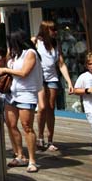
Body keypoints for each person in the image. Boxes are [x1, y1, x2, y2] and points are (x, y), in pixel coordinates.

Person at [0, 30, 42, 173]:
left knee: (27, 126)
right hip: (12, 93)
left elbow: (24, 73)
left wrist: (6, 70)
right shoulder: (14, 56)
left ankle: (32, 159)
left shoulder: (30, 53)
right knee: (11, 124)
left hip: (26, 93)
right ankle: (19, 155)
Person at [34, 21, 74, 152]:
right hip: (39, 78)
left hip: (52, 78)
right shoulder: (35, 41)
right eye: (53, 30)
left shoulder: (56, 44)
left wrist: (69, 81)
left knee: (51, 108)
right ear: (45, 30)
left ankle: (50, 139)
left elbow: (61, 64)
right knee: (42, 108)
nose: (55, 32)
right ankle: (40, 137)